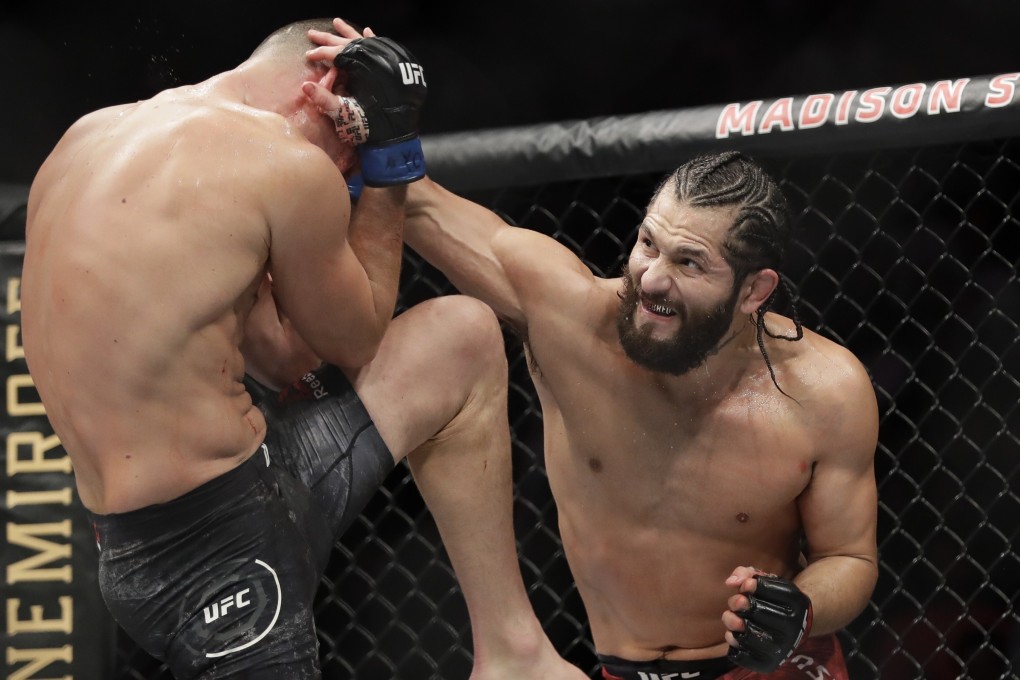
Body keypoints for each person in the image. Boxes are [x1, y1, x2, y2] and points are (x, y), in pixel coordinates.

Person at [22, 17, 586, 680]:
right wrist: (390, 162)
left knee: (458, 337)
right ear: (322, 88)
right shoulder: (283, 164)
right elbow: (358, 335)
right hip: (223, 557)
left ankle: (515, 656)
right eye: (351, 146)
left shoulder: (89, 136)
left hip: (139, 542)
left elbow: (285, 359)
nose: (345, 170)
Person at [303, 28, 880, 677]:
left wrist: (801, 607)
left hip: (771, 667)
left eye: (691, 263)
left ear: (755, 291)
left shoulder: (824, 390)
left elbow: (851, 559)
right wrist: (373, 122)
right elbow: (425, 205)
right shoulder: (573, 320)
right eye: (648, 244)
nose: (653, 278)